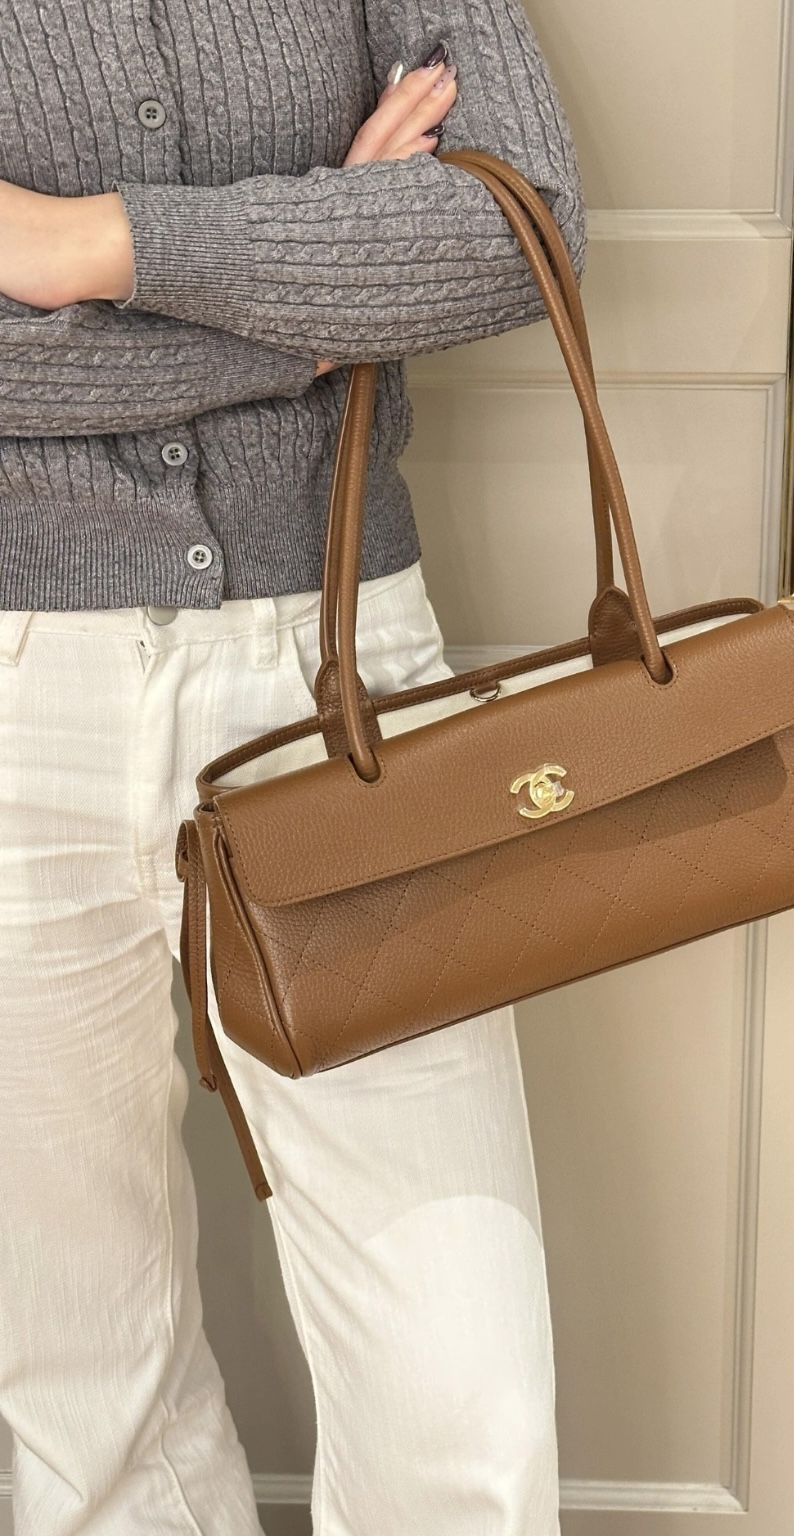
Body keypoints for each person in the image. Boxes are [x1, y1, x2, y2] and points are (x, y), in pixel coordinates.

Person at [0, 2, 585, 1532]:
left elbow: (514, 225)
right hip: (15, 707)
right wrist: (312, 312)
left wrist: (82, 246)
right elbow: (401, 264)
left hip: (337, 686)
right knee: (81, 1403)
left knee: (465, 1403)